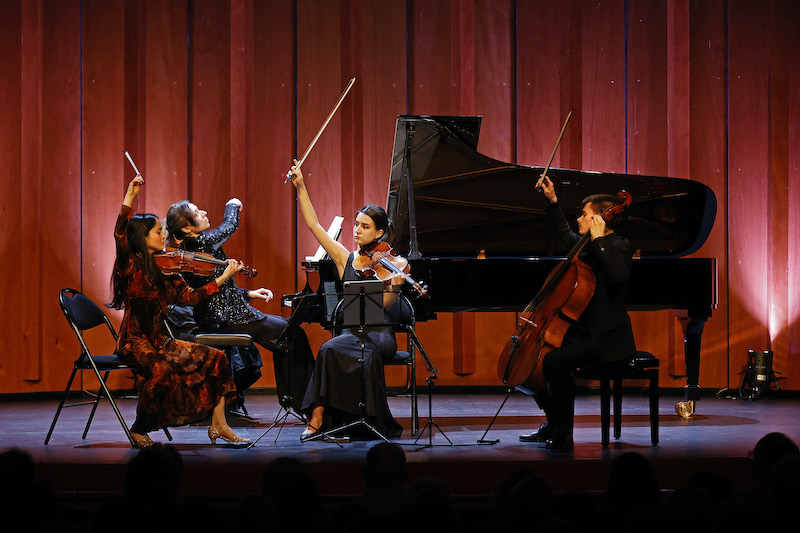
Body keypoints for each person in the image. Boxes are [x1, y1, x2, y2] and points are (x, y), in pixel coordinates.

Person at [110, 175, 248, 447]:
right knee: (160, 370)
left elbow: (191, 297)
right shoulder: (131, 266)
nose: (163, 235)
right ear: (142, 237)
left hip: (160, 341)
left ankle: (219, 425)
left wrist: (223, 277)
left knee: (217, 358)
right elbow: (119, 234)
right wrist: (130, 196)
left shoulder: (168, 268)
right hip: (134, 341)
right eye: (157, 231)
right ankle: (140, 429)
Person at [288, 160, 405, 441]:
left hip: (380, 333)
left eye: (364, 227)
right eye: (356, 225)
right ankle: (318, 419)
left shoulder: (393, 263)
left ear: (379, 233)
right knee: (328, 349)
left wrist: (395, 289)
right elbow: (314, 224)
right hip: (352, 331)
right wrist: (301, 187)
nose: (357, 231)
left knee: (341, 350)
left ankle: (360, 420)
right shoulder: (346, 258)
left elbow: (386, 309)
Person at [165, 198, 314, 414]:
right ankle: (307, 405)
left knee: (287, 334)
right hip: (227, 319)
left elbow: (215, 290)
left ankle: (297, 401)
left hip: (222, 315)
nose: (204, 213)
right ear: (187, 228)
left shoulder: (193, 247)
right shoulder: (202, 244)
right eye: (197, 213)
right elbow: (229, 226)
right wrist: (232, 205)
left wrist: (248, 293)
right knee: (292, 334)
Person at [518, 175, 636, 450]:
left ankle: (562, 433)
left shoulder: (618, 245)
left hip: (605, 338)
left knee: (555, 362)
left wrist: (599, 241)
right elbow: (564, 235)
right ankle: (554, 422)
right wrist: (552, 201)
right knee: (537, 359)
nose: (579, 219)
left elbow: (619, 277)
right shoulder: (587, 248)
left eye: (584, 215)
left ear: (599, 220)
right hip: (581, 333)